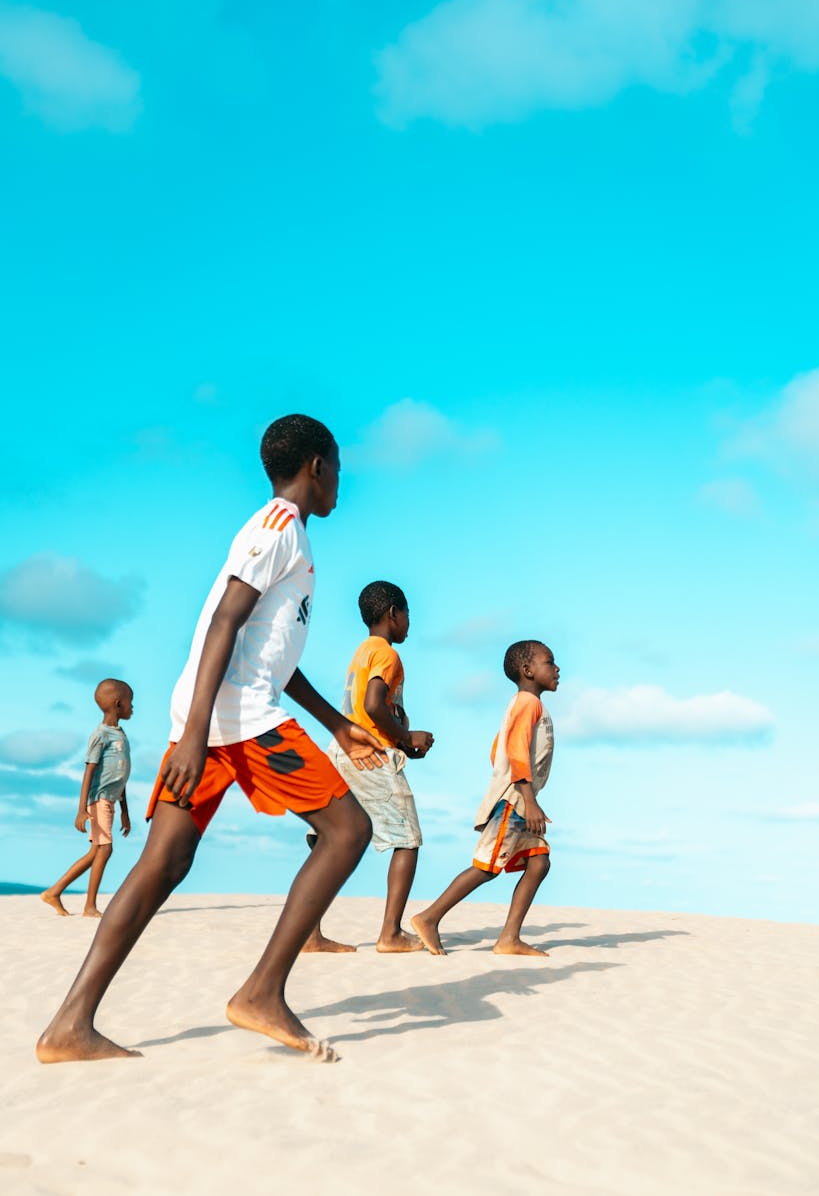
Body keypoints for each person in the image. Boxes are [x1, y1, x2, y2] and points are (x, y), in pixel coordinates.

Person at [36, 414, 384, 1066]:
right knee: (348, 832)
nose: (341, 479)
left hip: (219, 713)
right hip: (234, 720)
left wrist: (335, 723)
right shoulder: (277, 528)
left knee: (161, 865)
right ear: (315, 465)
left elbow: (271, 655)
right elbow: (225, 620)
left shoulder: (289, 536)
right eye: (337, 465)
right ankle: (262, 992)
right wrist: (196, 735)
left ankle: (68, 1026)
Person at [305, 581, 434, 954]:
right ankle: (390, 933)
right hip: (370, 755)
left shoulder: (362, 651)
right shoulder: (387, 655)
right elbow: (374, 704)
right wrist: (407, 739)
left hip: (342, 752)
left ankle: (309, 933)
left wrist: (405, 737)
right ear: (393, 613)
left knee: (331, 839)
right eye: (408, 613)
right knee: (407, 839)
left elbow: (368, 708)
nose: (410, 622)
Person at [411, 640, 558, 958]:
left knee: (539, 863)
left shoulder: (524, 705)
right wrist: (527, 799)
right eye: (550, 662)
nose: (557, 668)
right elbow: (516, 750)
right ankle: (429, 917)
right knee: (487, 867)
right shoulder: (528, 704)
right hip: (516, 802)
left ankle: (509, 938)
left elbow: (497, 750)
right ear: (528, 670)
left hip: (521, 799)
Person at [41, 680, 133, 919]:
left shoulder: (120, 734)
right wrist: (81, 809)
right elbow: (89, 772)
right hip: (99, 799)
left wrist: (125, 811)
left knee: (95, 852)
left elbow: (119, 777)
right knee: (105, 849)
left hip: (111, 801)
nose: (133, 707)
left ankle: (54, 892)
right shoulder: (101, 735)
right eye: (131, 702)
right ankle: (89, 906)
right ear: (118, 704)